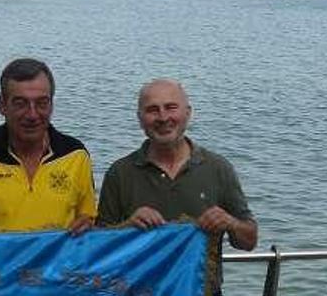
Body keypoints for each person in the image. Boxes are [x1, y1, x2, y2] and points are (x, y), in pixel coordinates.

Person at [97, 79, 257, 293]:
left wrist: (230, 223)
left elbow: (249, 241)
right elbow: (99, 249)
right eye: (152, 110)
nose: (163, 118)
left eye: (171, 107)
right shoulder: (120, 173)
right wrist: (128, 226)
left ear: (188, 113)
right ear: (140, 119)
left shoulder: (218, 168)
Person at [0, 58, 97, 234]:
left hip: (55, 261)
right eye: (20, 103)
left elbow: (88, 217)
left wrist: (85, 223)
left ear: (52, 105)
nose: (32, 114)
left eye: (42, 103)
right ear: (2, 105)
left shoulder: (76, 154)